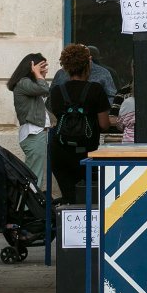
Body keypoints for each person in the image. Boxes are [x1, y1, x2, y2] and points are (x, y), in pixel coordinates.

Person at [48, 44, 111, 204]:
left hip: (60, 152)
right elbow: (104, 124)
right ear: (88, 65)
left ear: (66, 67)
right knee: (88, 199)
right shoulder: (96, 90)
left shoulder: (56, 91)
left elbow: (54, 119)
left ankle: (67, 226)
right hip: (86, 152)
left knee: (69, 198)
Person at [7, 53, 51, 189]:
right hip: (34, 135)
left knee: (35, 176)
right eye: (41, 66)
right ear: (31, 67)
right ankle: (28, 209)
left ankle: (30, 207)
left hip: (37, 134)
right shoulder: (24, 82)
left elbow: (43, 92)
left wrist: (39, 75)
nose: (45, 69)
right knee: (34, 177)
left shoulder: (29, 84)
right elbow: (45, 89)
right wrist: (37, 74)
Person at [52, 44, 118, 102]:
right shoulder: (61, 73)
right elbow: (51, 99)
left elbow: (111, 97)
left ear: (89, 58)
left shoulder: (103, 73)